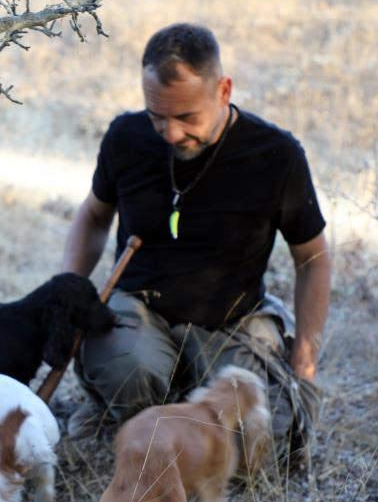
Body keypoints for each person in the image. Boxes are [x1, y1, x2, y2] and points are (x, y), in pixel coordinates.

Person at [61, 23, 331, 463]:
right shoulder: (126, 138)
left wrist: (304, 362)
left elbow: (314, 258)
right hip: (140, 308)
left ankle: (189, 400)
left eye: (186, 118)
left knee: (256, 448)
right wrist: (67, 291)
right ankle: (133, 409)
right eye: (156, 116)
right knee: (132, 375)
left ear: (223, 90)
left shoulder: (275, 156)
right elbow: (93, 215)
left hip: (231, 319)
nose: (169, 133)